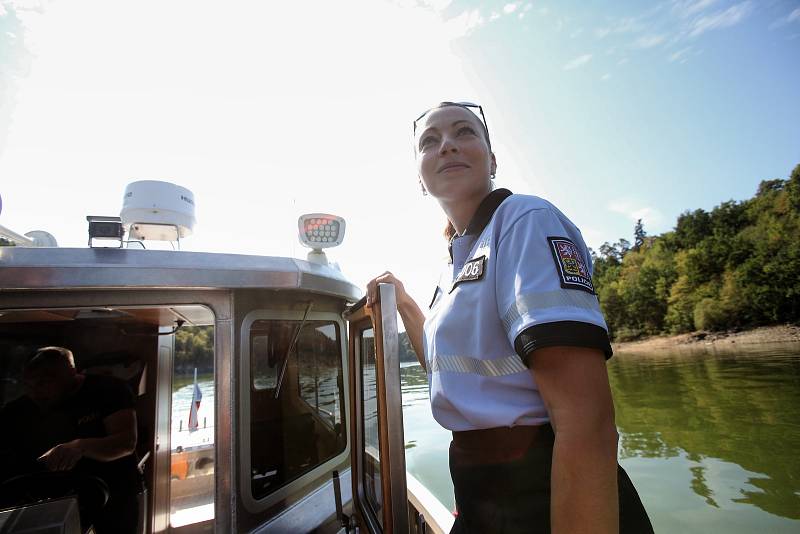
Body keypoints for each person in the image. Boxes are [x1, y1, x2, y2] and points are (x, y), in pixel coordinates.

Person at [365, 102, 653, 533]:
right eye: (429, 141)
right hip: (483, 498)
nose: (446, 146)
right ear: (420, 179)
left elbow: (585, 421)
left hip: (546, 496)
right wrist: (404, 303)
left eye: (464, 132)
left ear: (492, 159)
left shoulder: (524, 221)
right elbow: (453, 375)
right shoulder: (454, 265)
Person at [0, 346, 142, 534]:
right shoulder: (18, 410)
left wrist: (80, 446)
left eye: (45, 382)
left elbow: (125, 443)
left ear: (72, 373)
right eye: (29, 385)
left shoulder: (109, 390)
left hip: (113, 494)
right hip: (53, 500)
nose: (36, 392)